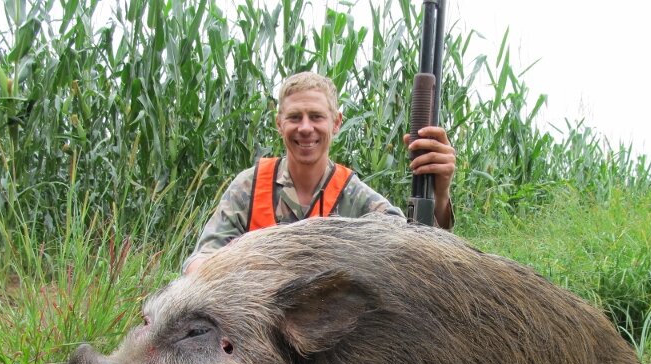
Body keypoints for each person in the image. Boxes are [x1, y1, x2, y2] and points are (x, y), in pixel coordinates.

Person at [182, 71, 457, 274]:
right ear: (279, 123)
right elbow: (200, 261)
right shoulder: (250, 187)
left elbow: (416, 249)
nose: (305, 128)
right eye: (294, 117)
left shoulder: (354, 195)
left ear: (336, 123)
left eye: (316, 116)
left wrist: (440, 192)